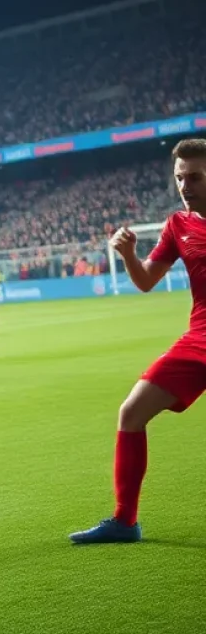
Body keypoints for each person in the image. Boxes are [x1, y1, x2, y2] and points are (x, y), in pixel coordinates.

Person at [71, 138, 206, 544]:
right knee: (131, 413)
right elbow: (147, 280)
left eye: (195, 176)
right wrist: (129, 255)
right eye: (180, 177)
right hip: (200, 340)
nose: (186, 185)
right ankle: (125, 522)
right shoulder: (178, 225)